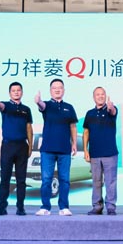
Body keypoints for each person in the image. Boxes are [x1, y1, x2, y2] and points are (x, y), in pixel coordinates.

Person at [34, 78, 78, 216]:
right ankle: (45, 207)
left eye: (60, 87)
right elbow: (41, 106)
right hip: (47, 150)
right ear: (50, 90)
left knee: (64, 180)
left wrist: (74, 143)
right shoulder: (47, 105)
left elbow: (73, 127)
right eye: (54, 88)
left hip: (64, 150)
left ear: (63, 90)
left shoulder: (69, 107)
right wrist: (38, 101)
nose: (57, 90)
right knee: (46, 180)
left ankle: (64, 207)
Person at [0, 82, 33, 216]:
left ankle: (20, 207)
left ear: (22, 92)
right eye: (13, 90)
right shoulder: (6, 106)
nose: (16, 92)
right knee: (5, 178)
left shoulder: (26, 109)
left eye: (18, 90)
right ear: (10, 93)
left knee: (21, 180)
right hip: (8, 146)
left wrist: (30, 146)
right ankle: (2, 207)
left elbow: (29, 128)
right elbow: (0, 106)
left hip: (22, 146)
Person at [83, 87, 118, 215]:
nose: (100, 96)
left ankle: (111, 207)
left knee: (110, 181)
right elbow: (86, 132)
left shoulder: (111, 110)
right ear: (94, 97)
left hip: (110, 153)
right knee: (96, 181)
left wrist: (111, 107)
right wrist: (85, 150)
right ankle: (97, 206)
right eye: (97, 94)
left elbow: (112, 111)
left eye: (102, 94)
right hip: (95, 154)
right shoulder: (89, 113)